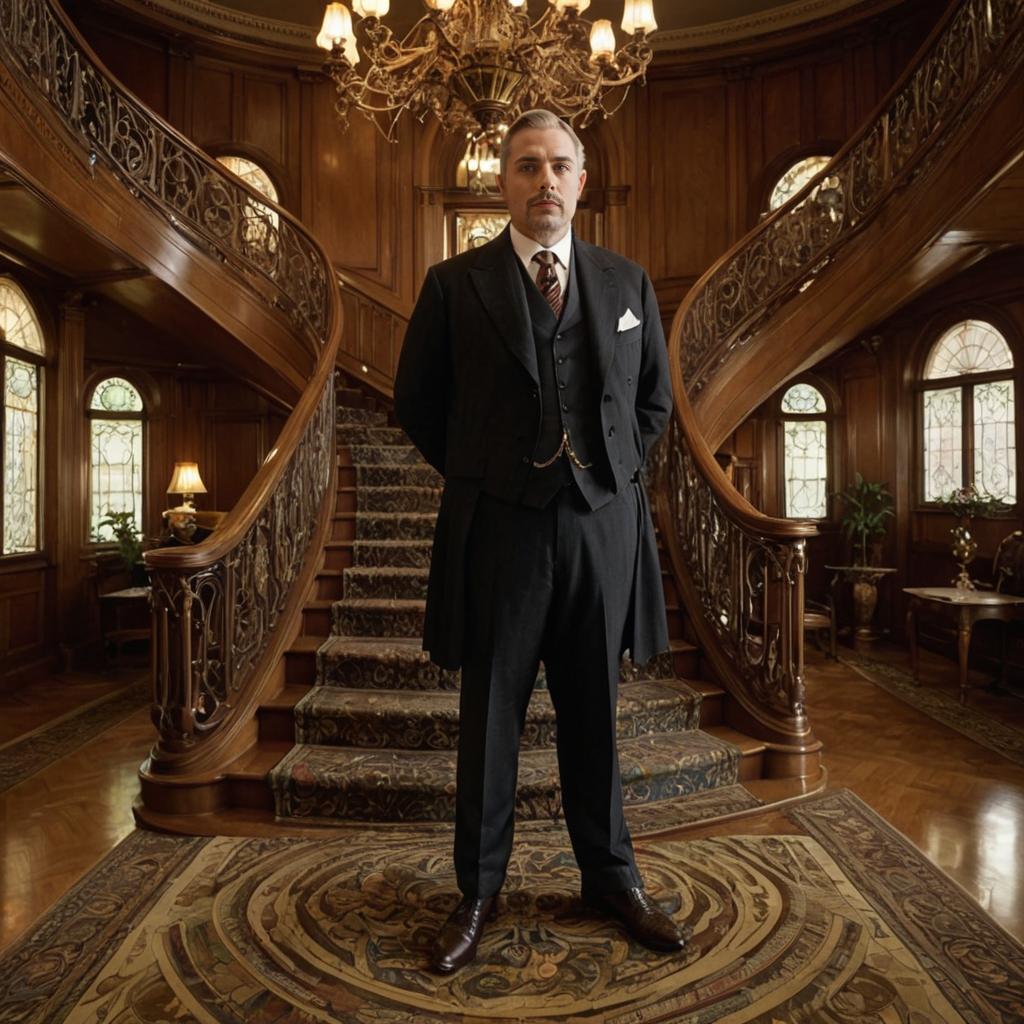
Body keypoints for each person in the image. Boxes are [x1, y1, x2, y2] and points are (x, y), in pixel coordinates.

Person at [394, 109, 682, 974]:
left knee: (596, 710)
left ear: (582, 180)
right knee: (490, 721)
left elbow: (654, 404)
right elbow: (418, 403)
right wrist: (486, 473)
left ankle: (611, 877)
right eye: (527, 166)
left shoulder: (627, 284)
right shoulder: (453, 284)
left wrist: (606, 477)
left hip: (601, 529)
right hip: (500, 536)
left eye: (559, 165)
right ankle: (477, 891)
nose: (544, 180)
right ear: (502, 181)